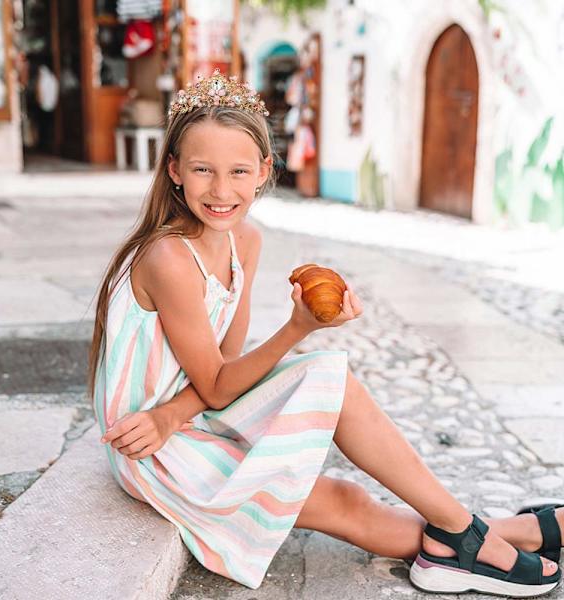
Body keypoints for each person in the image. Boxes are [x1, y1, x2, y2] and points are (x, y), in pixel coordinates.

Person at [88, 69, 562, 596]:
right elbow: (220, 387)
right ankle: (497, 534)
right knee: (344, 499)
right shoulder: (169, 258)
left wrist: (175, 411)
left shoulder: (245, 240)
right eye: (203, 170)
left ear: (264, 170)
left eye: (239, 171)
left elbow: (226, 364)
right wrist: (297, 328)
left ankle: (472, 536)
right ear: (175, 170)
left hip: (183, 416)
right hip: (154, 448)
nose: (221, 190)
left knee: (334, 385)